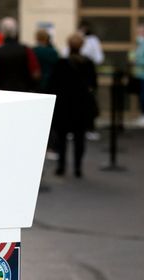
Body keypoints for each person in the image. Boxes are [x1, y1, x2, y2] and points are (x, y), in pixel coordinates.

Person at [49, 34, 97, 178]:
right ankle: (77, 167)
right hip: (81, 105)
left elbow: (52, 85)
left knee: (62, 138)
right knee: (79, 138)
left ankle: (61, 166)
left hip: (63, 105)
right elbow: (93, 85)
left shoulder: (61, 64)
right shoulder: (88, 64)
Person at [0, 17, 40, 92]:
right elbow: (36, 74)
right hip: (23, 91)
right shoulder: (26, 50)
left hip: (2, 92)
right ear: (16, 31)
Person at [33, 28, 59, 93]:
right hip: (51, 81)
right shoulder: (53, 52)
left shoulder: (33, 51)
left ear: (36, 38)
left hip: (37, 82)